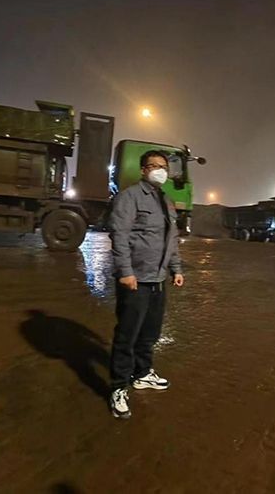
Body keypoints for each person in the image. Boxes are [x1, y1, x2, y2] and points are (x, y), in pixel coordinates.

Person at [109, 150, 184, 419]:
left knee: (150, 333)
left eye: (163, 166)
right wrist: (125, 271)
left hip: (158, 279)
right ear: (143, 170)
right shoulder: (129, 197)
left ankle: (142, 374)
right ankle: (118, 387)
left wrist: (176, 268)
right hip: (135, 279)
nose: (160, 170)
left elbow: (171, 239)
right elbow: (119, 235)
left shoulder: (166, 200)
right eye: (153, 166)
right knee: (127, 335)